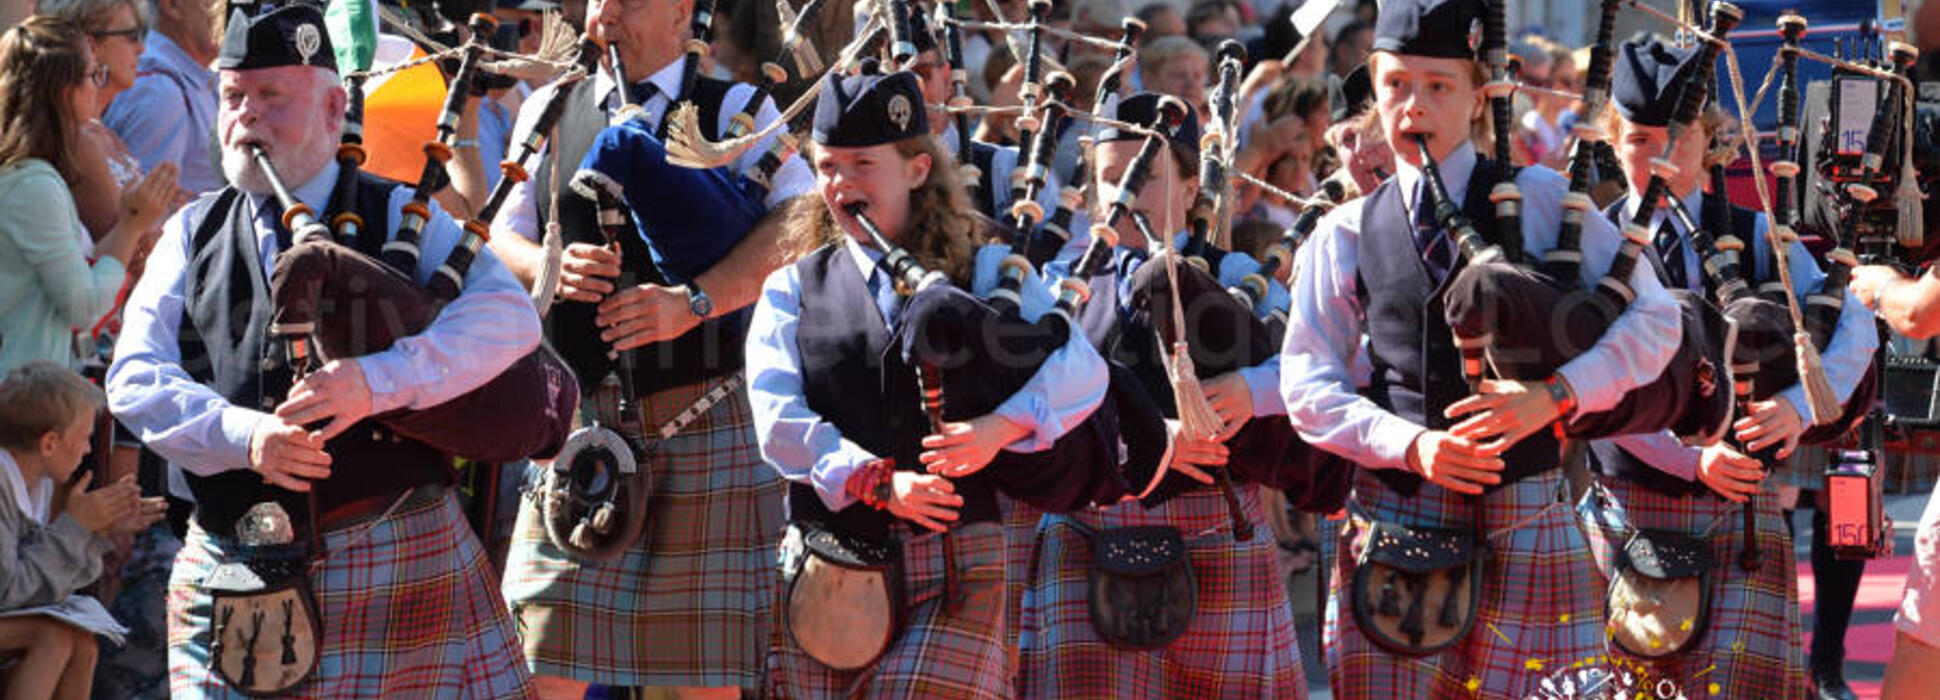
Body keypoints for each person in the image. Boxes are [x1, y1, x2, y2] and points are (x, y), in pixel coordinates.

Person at [104, 6, 538, 696]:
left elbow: (508, 319)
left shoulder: (399, 212)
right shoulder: (193, 231)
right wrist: (246, 437)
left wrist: (376, 381)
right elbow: (133, 376)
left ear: (335, 106)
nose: (246, 116)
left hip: (394, 548)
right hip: (235, 558)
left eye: (271, 97)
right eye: (233, 98)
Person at [1278, 0, 1682, 695]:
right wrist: (1409, 444)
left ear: (1476, 98)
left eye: (1438, 86)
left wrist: (1558, 395)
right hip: (1397, 514)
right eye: (1397, 85)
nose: (1413, 106)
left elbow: (1654, 320)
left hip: (1528, 509)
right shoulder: (1343, 232)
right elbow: (1306, 383)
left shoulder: (1549, 200)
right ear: (1374, 92)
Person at [747, 63, 1105, 699]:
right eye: (828, 166)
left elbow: (1081, 369)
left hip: (960, 562)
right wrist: (877, 482)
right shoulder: (792, 288)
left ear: (916, 169)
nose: (840, 185)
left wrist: (998, 429)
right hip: (831, 566)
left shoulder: (990, 267)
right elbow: (776, 420)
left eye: (862, 165)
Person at [488, 0, 809, 694]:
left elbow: (803, 224)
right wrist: (546, 266)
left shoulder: (738, 109)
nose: (608, 9)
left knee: (703, 680)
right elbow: (498, 232)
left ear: (683, 12)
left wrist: (694, 302)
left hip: (706, 412)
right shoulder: (551, 107)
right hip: (580, 422)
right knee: (536, 665)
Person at [1581, 35, 1876, 697]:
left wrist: (1799, 409)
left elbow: (1853, 324)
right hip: (1628, 505)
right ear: (1612, 138)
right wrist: (1692, 459)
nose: (1658, 158)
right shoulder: (1592, 244)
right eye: (1638, 140)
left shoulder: (1756, 231)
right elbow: (1590, 384)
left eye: (1678, 138)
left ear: (1710, 138)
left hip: (1743, 515)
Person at [1017, 92, 1308, 698]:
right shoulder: (1057, 288)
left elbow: (1309, 371)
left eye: (1144, 178)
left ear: (1191, 183)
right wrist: (1154, 441)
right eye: (1108, 178)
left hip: (1217, 532)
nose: (1123, 196)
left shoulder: (1235, 279)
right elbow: (1025, 403)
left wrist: (1250, 391)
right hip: (1087, 534)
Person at [0, 16, 175, 377]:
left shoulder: (35, 177)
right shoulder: (33, 185)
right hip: (23, 403)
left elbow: (84, 274)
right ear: (66, 91)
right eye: (94, 75)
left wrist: (133, 221)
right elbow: (84, 306)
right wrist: (131, 225)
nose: (99, 86)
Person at [0, 361, 164, 700]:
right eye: (85, 437)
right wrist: (76, 527)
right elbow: (9, 591)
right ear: (49, 443)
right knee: (51, 637)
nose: (89, 450)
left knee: (83, 642)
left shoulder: (39, 483)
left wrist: (97, 531)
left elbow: (46, 585)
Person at [101, 0, 222, 195]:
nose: (229, 7)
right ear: (173, 4)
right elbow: (140, 211)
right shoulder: (160, 90)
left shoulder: (188, 75)